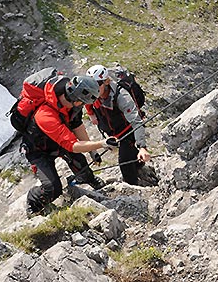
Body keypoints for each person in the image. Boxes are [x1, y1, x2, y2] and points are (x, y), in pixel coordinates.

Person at [22, 73, 116, 216]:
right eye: (83, 103)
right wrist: (101, 143)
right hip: (38, 151)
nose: (83, 106)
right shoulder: (45, 115)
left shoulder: (72, 104)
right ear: (77, 100)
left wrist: (93, 152)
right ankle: (33, 202)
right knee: (52, 188)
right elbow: (72, 146)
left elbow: (77, 125)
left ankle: (90, 179)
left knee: (82, 166)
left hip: (58, 142)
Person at [86, 65, 153, 185]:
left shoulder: (122, 96)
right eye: (91, 85)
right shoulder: (93, 94)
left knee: (124, 162)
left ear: (106, 82)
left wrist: (142, 146)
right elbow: (87, 101)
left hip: (128, 132)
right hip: (114, 133)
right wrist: (91, 114)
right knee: (131, 155)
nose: (93, 89)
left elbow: (136, 121)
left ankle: (132, 188)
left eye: (97, 84)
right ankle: (139, 166)